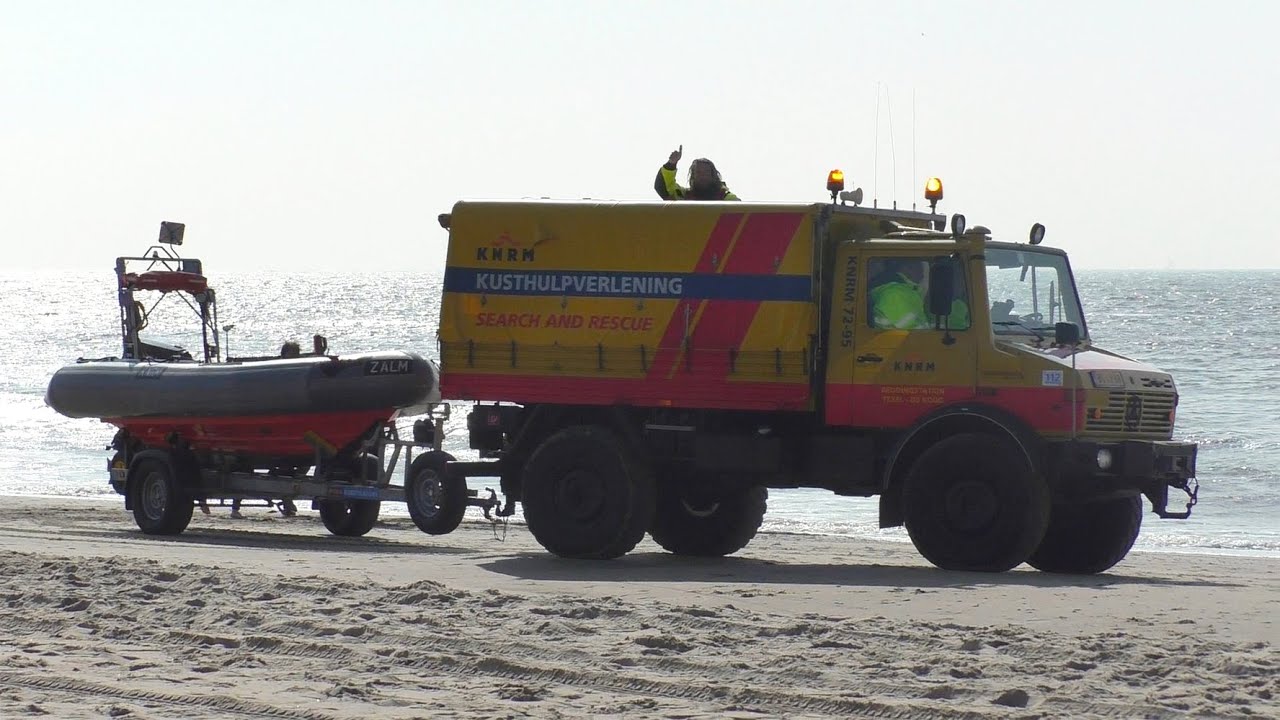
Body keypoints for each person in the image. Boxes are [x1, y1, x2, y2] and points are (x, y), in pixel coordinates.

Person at [654, 145, 739, 201]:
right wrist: (671, 164)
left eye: (706, 172)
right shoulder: (682, 196)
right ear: (693, 176)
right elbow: (662, 186)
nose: (702, 176)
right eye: (698, 172)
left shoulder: (727, 199)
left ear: (713, 176)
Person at [870, 259, 928, 329]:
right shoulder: (895, 294)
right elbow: (912, 333)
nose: (923, 272)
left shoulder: (907, 290)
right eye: (920, 266)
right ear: (908, 268)